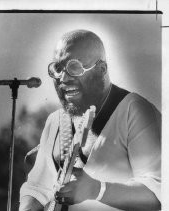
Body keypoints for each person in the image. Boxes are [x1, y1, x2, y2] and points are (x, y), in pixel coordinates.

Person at [19, 29, 161, 211]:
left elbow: (159, 194)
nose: (63, 77)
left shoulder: (136, 111)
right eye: (58, 68)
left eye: (74, 67)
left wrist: (97, 189)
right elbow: (37, 187)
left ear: (102, 69)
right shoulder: (55, 121)